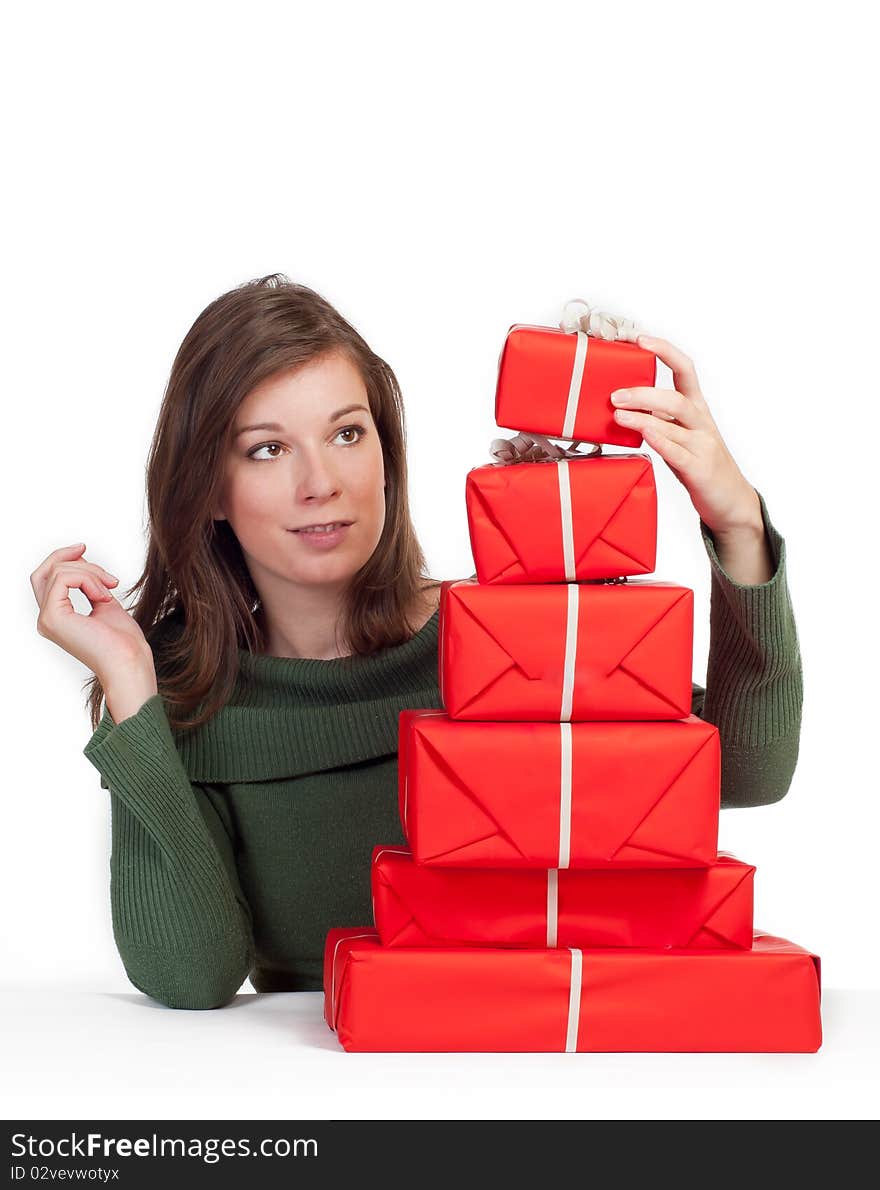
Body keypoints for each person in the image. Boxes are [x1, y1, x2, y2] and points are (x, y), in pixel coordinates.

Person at [30, 274, 803, 1010]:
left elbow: (746, 769)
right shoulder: (192, 702)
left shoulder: (501, 633)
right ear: (208, 489)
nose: (320, 481)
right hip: (335, 1094)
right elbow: (191, 977)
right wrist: (133, 689)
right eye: (267, 448)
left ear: (386, 451)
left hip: (557, 1065)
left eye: (346, 433)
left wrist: (736, 526)